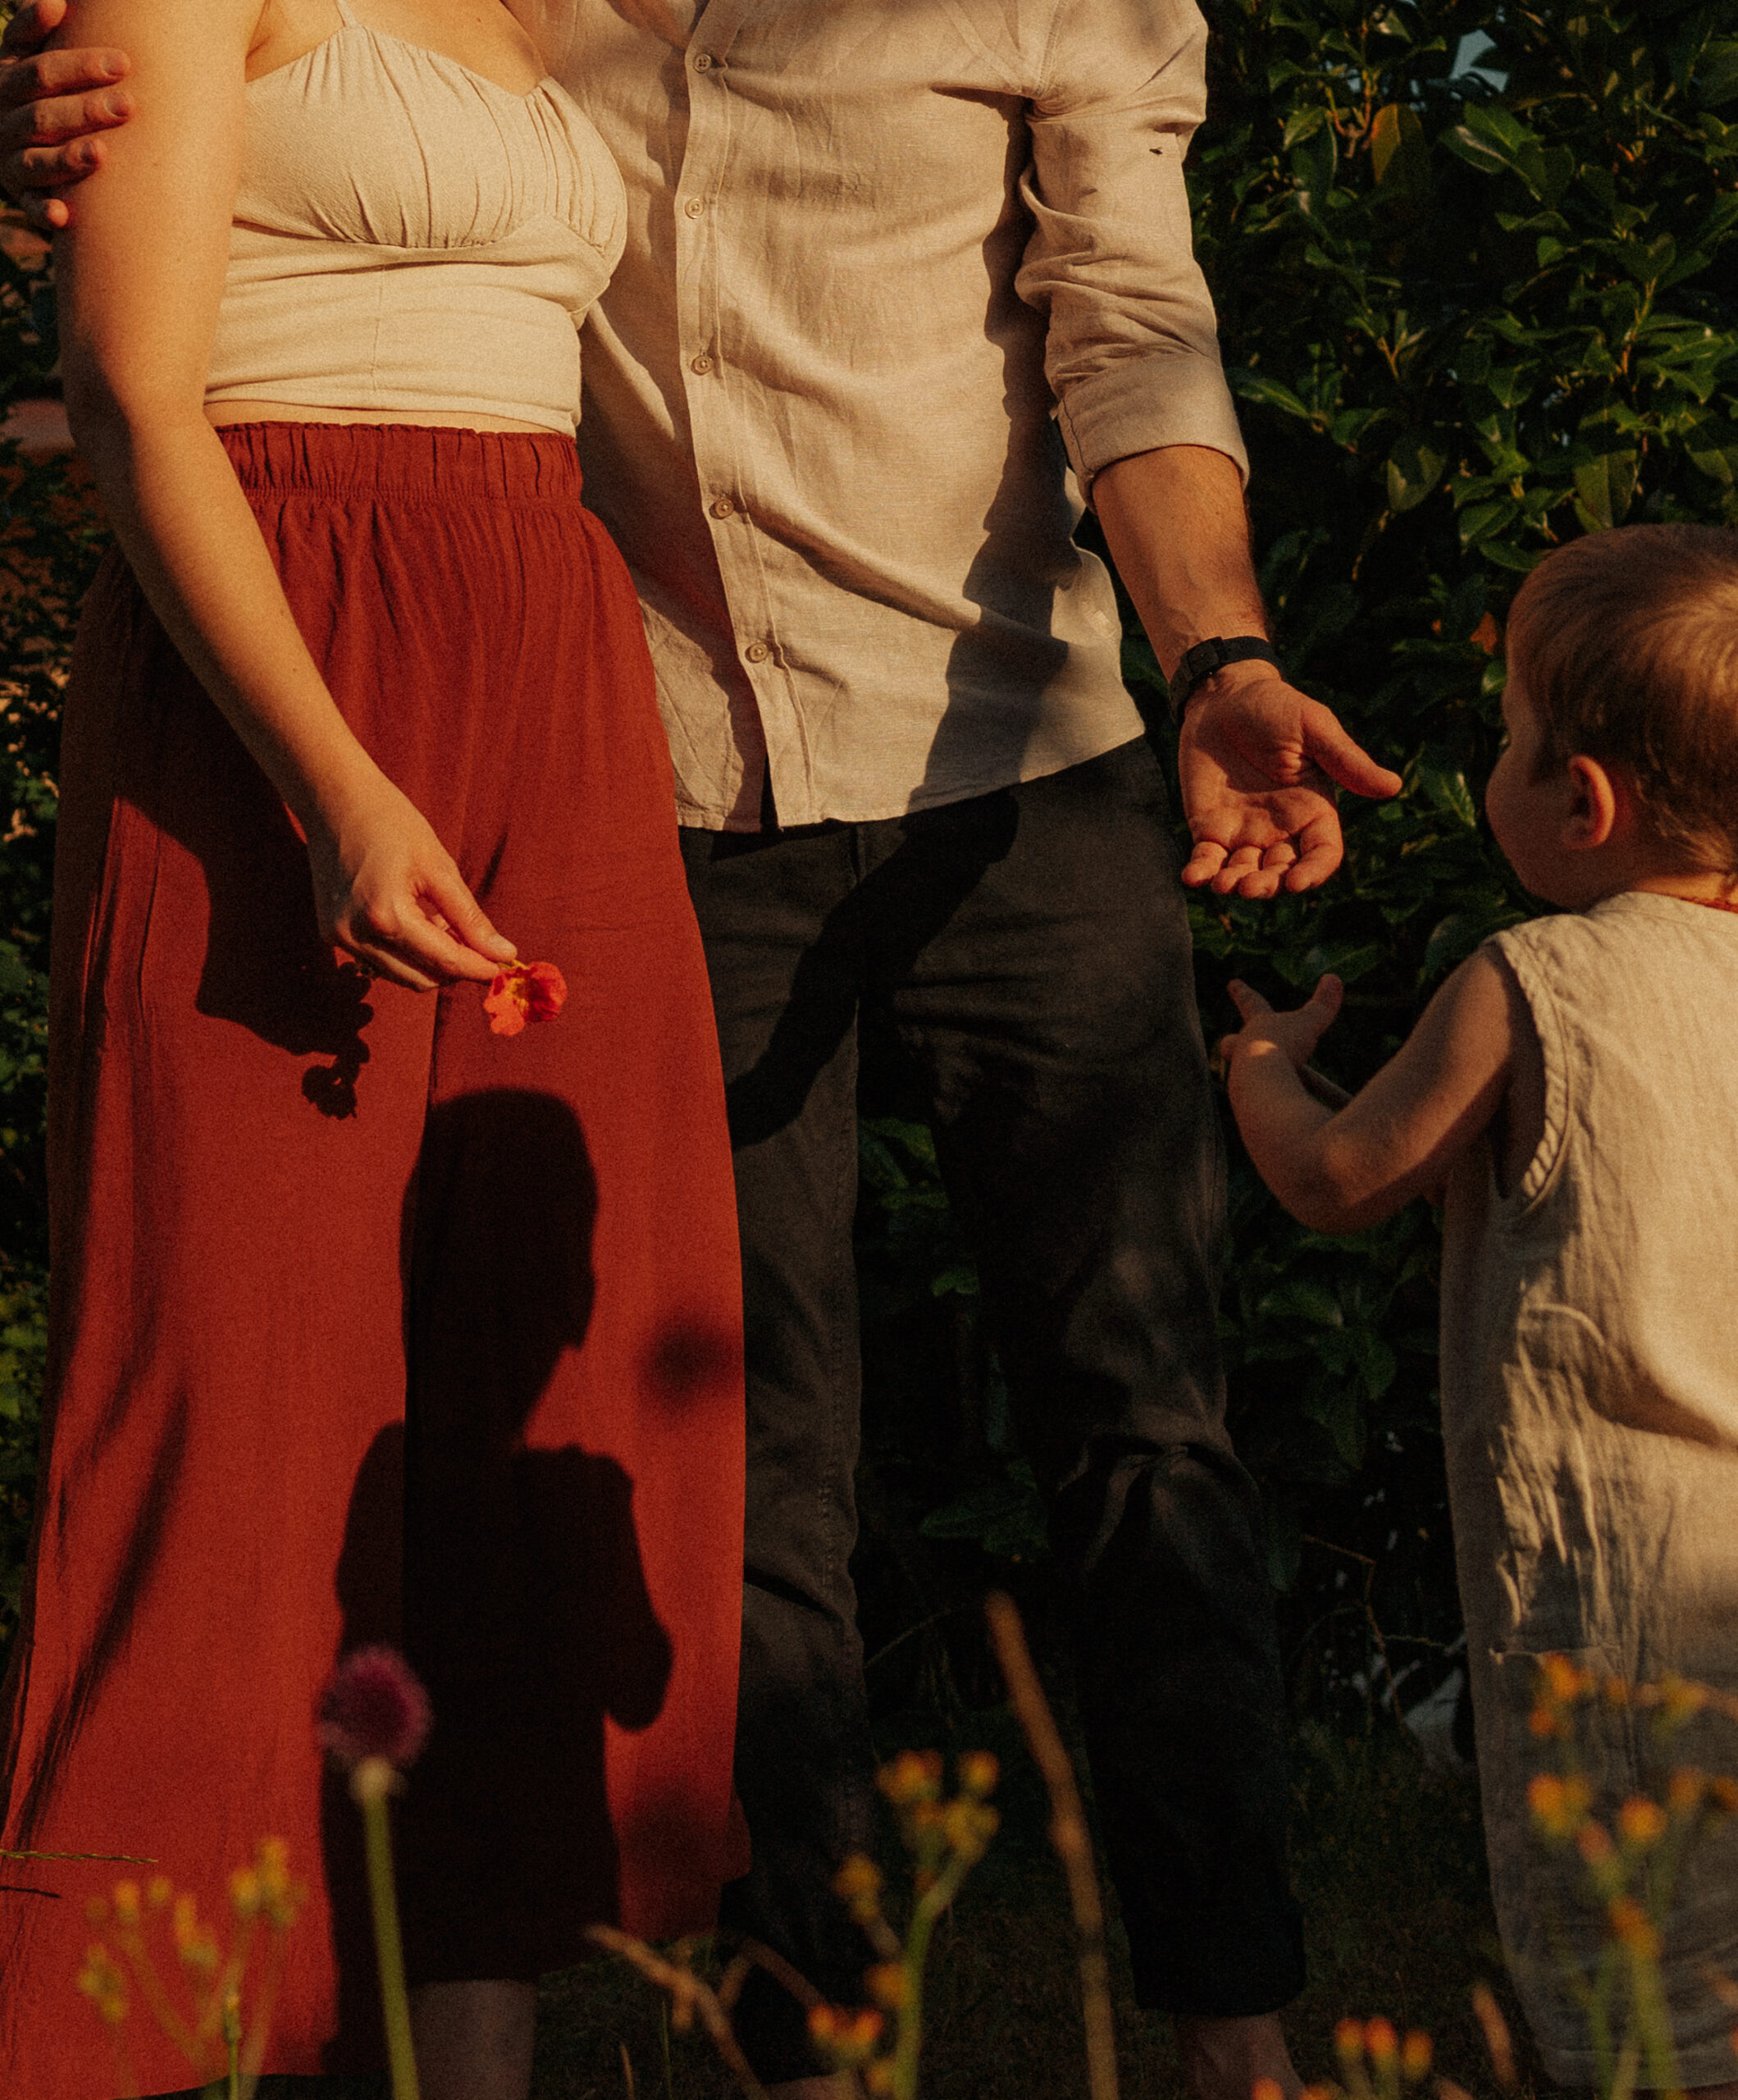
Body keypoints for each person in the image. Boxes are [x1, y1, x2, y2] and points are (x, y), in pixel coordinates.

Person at [0, 5, 1411, 2096]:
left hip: (982, 743)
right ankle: (780, 2049)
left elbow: (1131, 314)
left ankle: (1232, 2035)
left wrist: (1220, 644)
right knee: (621, 1439)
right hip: (607, 754)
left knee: (1089, 1422)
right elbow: (152, 307)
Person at [0, 2, 746, 2098]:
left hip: (544, 649)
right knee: (234, 1388)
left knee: (524, 1370)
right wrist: (334, 783)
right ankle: (127, 2040)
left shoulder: (543, 9)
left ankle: (465, 2052)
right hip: (287, 648)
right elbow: (131, 395)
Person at [1220, 523, 1738, 2098]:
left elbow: (1339, 1177)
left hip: (1620, 1580)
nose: (1491, 768)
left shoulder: (1530, 980)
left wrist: (1261, 1073)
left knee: (1641, 1957)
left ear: (1584, 802)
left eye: (1508, 740)